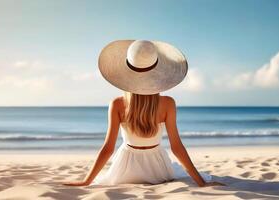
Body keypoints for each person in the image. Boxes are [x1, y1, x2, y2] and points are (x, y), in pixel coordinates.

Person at [64, 40, 223, 187]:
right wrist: (201, 182)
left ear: (126, 72)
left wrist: (87, 181)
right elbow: (177, 147)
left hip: (125, 170)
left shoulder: (118, 104)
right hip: (159, 169)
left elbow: (108, 148)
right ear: (158, 72)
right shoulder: (168, 103)